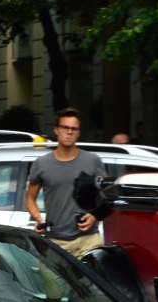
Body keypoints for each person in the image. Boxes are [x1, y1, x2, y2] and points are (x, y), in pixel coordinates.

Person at [26, 108, 107, 259]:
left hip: (87, 240)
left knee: (92, 282)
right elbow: (30, 198)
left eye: (74, 129)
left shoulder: (92, 160)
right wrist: (38, 219)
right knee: (53, 283)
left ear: (79, 133)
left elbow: (108, 194)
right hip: (55, 241)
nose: (69, 132)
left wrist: (94, 215)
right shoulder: (42, 164)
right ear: (56, 130)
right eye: (65, 127)